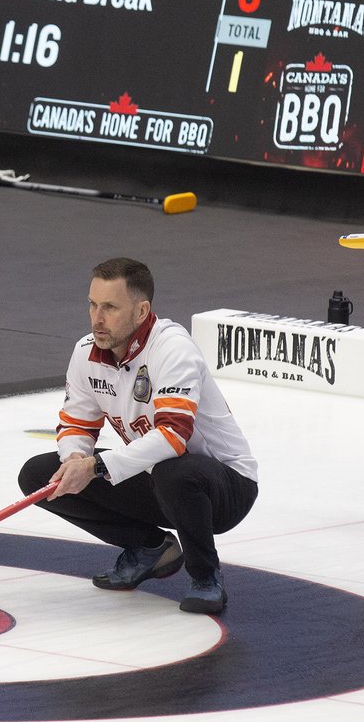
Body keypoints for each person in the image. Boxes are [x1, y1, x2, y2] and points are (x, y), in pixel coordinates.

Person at [17, 257, 258, 614]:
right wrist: (74, 459)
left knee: (174, 470)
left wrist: (97, 466)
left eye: (110, 307)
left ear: (142, 310)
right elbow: (76, 425)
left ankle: (206, 578)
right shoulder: (87, 352)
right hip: (158, 479)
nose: (97, 318)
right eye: (93, 304)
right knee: (40, 475)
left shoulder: (172, 348)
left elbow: (174, 437)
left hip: (223, 486)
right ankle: (149, 548)